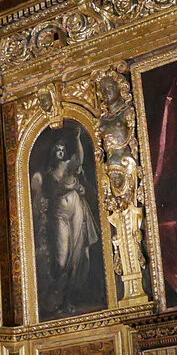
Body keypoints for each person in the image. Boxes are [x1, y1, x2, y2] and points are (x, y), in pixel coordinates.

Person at [31, 126, 102, 311]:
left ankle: (70, 297)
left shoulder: (70, 166)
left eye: (63, 149)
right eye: (58, 149)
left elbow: (80, 158)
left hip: (77, 209)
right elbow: (41, 197)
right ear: (54, 153)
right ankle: (58, 295)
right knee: (62, 258)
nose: (61, 151)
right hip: (59, 215)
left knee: (79, 253)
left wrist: (77, 139)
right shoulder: (48, 175)